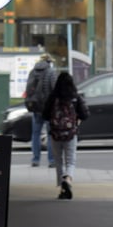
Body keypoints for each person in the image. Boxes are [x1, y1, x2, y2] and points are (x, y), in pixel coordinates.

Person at [42, 72, 89, 200]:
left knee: (58, 161)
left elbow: (44, 115)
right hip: (71, 134)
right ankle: (67, 180)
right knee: (71, 160)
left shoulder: (53, 97)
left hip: (55, 133)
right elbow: (85, 114)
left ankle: (62, 189)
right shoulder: (75, 97)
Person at [24, 53, 56, 167]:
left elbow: (28, 89)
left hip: (36, 107)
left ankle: (35, 160)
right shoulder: (51, 72)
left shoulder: (32, 72)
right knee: (50, 134)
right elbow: (55, 89)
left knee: (36, 134)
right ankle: (52, 161)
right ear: (49, 62)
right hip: (48, 108)